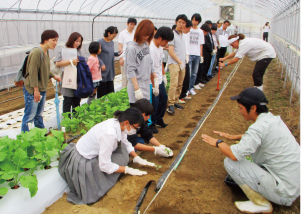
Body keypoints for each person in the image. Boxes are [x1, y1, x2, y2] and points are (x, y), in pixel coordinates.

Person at [202, 87, 300, 213]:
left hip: (284, 192)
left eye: (240, 108)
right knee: (248, 158)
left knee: (231, 163)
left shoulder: (258, 129)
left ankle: (260, 203)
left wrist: (218, 142)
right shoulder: (272, 120)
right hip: (294, 184)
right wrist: (233, 137)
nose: (239, 111)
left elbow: (233, 155)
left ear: (253, 108)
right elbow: (260, 136)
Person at [59, 107, 156, 205]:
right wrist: (127, 170)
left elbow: (125, 141)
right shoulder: (109, 135)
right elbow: (104, 165)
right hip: (83, 160)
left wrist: (136, 157)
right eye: (136, 128)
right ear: (127, 123)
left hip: (94, 151)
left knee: (122, 154)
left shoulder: (118, 123)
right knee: (99, 184)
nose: (135, 131)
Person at [22, 30, 61, 132]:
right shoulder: (36, 52)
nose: (55, 43)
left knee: (38, 115)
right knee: (29, 117)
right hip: (32, 89)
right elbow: (32, 72)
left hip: (42, 88)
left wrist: (54, 76)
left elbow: (45, 70)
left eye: (57, 40)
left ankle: (41, 135)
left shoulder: (45, 51)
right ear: (45, 40)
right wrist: (36, 90)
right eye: (53, 40)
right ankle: (26, 140)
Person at [125, 20, 158, 106]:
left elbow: (150, 62)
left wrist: (155, 79)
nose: (146, 37)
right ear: (139, 31)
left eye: (149, 35)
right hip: (137, 85)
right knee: (138, 115)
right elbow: (130, 69)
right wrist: (137, 89)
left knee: (145, 115)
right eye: (145, 34)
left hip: (146, 83)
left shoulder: (145, 44)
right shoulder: (131, 48)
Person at [150, 27, 174, 129]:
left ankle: (159, 119)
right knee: (154, 103)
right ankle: (152, 123)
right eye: (166, 41)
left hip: (159, 79)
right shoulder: (151, 48)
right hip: (153, 80)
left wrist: (163, 75)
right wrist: (154, 84)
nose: (167, 44)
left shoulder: (159, 47)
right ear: (160, 38)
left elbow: (160, 63)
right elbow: (150, 69)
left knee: (163, 98)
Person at [55, 32, 83, 114]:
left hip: (77, 77)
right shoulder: (63, 49)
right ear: (72, 40)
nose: (78, 43)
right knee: (68, 100)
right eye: (76, 41)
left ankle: (76, 121)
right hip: (67, 76)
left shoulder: (78, 51)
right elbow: (57, 63)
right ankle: (67, 122)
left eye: (80, 41)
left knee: (77, 100)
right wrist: (70, 61)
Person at [166, 14, 188, 115]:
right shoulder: (172, 35)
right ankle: (170, 104)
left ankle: (175, 100)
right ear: (176, 22)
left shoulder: (182, 35)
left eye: (183, 23)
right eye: (180, 22)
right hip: (174, 63)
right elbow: (171, 51)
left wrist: (184, 59)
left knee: (180, 84)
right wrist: (179, 62)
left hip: (182, 63)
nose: (181, 24)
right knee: (174, 84)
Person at [97, 26, 121, 99]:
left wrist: (117, 53)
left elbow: (110, 52)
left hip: (110, 68)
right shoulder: (100, 42)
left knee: (110, 91)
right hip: (103, 69)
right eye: (113, 36)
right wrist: (101, 63)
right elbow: (96, 55)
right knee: (102, 93)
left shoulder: (112, 42)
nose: (114, 38)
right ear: (108, 33)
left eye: (115, 36)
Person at [186, 13, 204, 96]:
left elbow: (201, 44)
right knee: (188, 73)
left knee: (194, 73)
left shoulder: (200, 31)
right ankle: (186, 89)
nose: (194, 22)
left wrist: (201, 55)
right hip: (189, 54)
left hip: (196, 54)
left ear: (198, 21)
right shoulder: (188, 30)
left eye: (196, 20)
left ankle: (191, 88)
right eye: (193, 20)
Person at [118, 18, 137, 89]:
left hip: (133, 59)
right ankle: (124, 92)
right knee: (124, 76)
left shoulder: (135, 34)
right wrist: (121, 58)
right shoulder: (122, 34)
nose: (132, 26)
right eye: (131, 24)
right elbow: (120, 47)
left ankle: (131, 90)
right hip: (125, 58)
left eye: (134, 25)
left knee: (132, 76)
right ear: (127, 24)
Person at [179, 20, 193, 104]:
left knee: (186, 77)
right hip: (180, 60)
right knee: (181, 80)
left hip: (186, 58)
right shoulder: (181, 35)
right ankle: (180, 96)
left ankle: (184, 94)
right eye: (189, 28)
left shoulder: (185, 35)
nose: (189, 30)